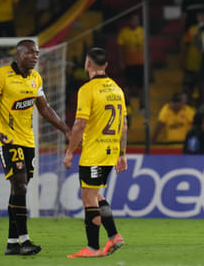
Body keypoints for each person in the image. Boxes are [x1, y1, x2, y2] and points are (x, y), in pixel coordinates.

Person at [0, 39, 71, 255]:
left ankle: (12, 243)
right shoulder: (0, 75)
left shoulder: (36, 78)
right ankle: (25, 241)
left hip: (28, 141)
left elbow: (45, 108)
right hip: (8, 140)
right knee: (21, 185)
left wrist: (65, 130)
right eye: (31, 53)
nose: (35, 56)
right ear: (19, 54)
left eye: (37, 53)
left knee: (18, 189)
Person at [63, 47, 127, 258]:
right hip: (110, 152)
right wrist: (122, 153)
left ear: (87, 64)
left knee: (88, 197)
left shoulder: (87, 89)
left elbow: (80, 123)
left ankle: (92, 248)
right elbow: (123, 125)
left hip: (94, 152)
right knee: (96, 194)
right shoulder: (117, 89)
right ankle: (114, 236)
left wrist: (70, 151)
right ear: (106, 65)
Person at [117, 13, 145, 111]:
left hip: (140, 63)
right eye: (133, 20)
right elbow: (120, 49)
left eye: (136, 20)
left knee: (141, 86)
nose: (135, 22)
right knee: (127, 85)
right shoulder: (124, 32)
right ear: (130, 21)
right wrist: (121, 62)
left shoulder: (142, 32)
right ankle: (127, 104)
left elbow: (146, 49)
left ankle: (142, 105)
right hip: (128, 64)